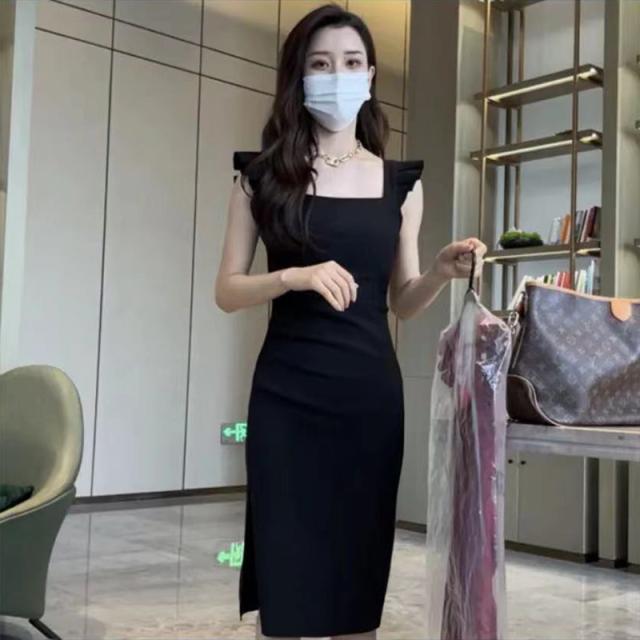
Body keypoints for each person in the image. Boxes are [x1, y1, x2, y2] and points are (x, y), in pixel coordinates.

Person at [215, 4, 487, 639]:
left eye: (351, 61)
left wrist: (439, 272)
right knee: (286, 572)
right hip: (285, 395)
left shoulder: (400, 185)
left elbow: (402, 301)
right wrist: (293, 276)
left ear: (369, 75)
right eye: (320, 63)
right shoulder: (260, 178)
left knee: (356, 573)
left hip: (368, 396)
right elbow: (227, 290)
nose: (337, 74)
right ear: (299, 76)